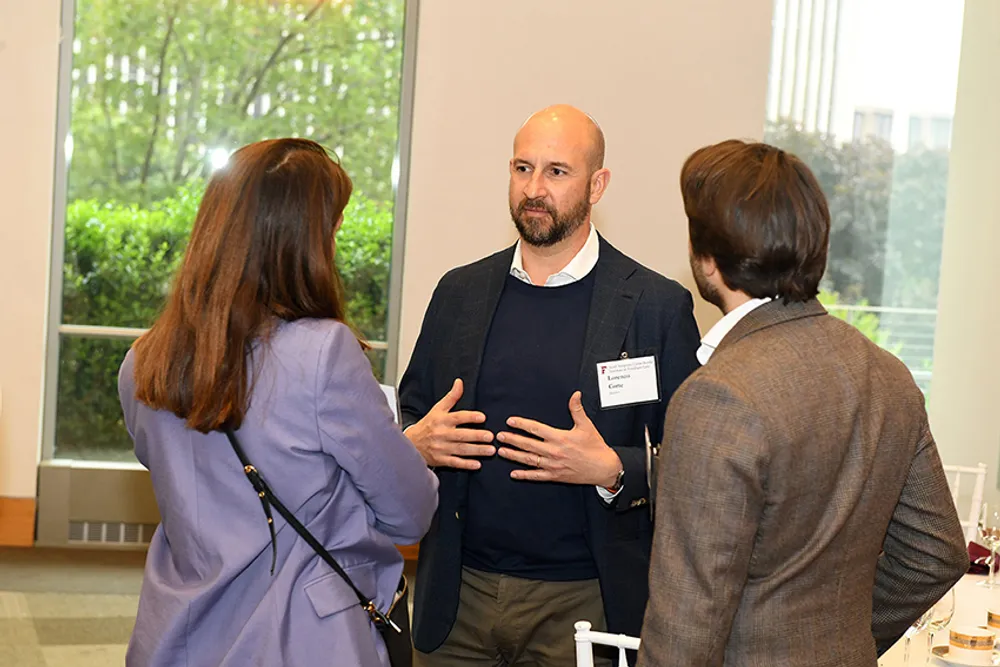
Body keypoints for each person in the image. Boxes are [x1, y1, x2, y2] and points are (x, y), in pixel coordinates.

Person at [637, 140, 968, 666]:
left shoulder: (716, 397)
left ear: (708, 260)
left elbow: (685, 630)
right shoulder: (888, 374)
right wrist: (838, 638)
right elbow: (934, 553)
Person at [399, 104, 702, 666]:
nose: (534, 189)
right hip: (455, 599)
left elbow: (695, 458)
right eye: (521, 169)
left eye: (556, 172)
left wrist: (613, 470)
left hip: (589, 604)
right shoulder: (457, 293)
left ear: (597, 184)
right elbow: (412, 412)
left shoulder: (656, 307)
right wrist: (417, 441)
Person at [119, 138, 438, 667]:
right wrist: (408, 449)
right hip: (299, 640)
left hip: (176, 637)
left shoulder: (143, 363)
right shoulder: (323, 354)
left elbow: (192, 487)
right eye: (332, 228)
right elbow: (410, 515)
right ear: (303, 242)